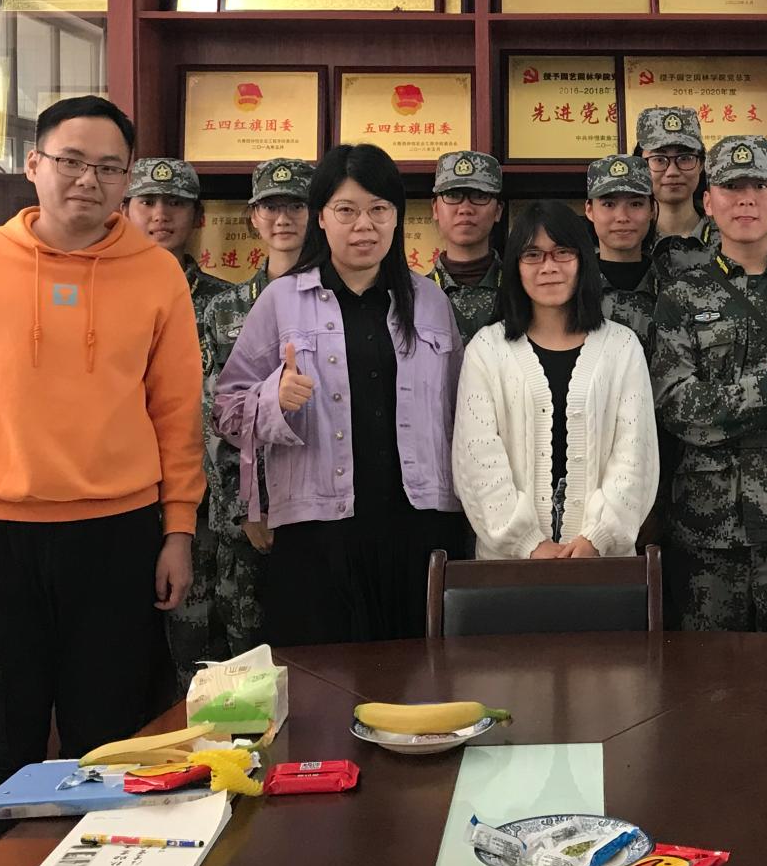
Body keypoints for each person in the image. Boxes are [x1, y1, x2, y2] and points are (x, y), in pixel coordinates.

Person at [0, 95, 201, 850]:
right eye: (71, 161)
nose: (88, 180)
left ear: (126, 179)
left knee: (114, 750)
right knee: (1, 752)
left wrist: (179, 530)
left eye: (109, 168)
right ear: (33, 165)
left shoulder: (157, 274)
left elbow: (177, 416)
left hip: (118, 539)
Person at [213, 144, 469, 645]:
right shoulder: (281, 300)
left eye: (379, 209)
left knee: (422, 678)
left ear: (397, 218)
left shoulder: (430, 301)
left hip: (421, 527)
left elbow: (462, 412)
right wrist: (272, 398)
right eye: (346, 210)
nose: (364, 225)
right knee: (324, 680)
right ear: (321, 218)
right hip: (318, 533)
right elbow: (225, 410)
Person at [650, 135, 767, 632]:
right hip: (709, 530)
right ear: (708, 201)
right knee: (708, 674)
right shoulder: (680, 297)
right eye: (731, 187)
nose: (746, 199)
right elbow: (674, 404)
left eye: (760, 186)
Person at [170, 157, 311, 685]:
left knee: (318, 655)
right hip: (248, 522)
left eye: (295, 205)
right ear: (253, 217)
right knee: (245, 660)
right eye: (271, 207)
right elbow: (216, 417)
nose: (283, 218)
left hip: (320, 510)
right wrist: (246, 507)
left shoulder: (335, 303)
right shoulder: (223, 309)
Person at [452, 202, 659, 560]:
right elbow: (477, 457)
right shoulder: (486, 350)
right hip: (508, 568)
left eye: (562, 252)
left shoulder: (622, 346)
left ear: (583, 260)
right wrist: (528, 543)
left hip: (604, 565)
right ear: (515, 266)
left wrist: (597, 538)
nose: (548, 267)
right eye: (532, 255)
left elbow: (635, 453)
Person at [124, 157, 222, 313]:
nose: (160, 215)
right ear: (125, 213)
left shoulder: (228, 302)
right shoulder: (101, 292)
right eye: (147, 203)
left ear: (198, 215)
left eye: (175, 203)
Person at [585, 153, 660, 351]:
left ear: (652, 210)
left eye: (635, 204)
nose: (622, 217)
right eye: (608, 204)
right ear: (589, 210)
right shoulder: (571, 287)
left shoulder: (674, 286)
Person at [429, 149, 505, 337]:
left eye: (479, 196)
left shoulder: (522, 289)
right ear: (435, 209)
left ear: (498, 211)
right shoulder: (414, 294)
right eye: (453, 195)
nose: (465, 209)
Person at [638, 106, 717, 276]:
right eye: (659, 159)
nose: (672, 171)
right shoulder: (629, 238)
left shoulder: (728, 240)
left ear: (701, 164)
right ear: (641, 166)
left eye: (685, 158)